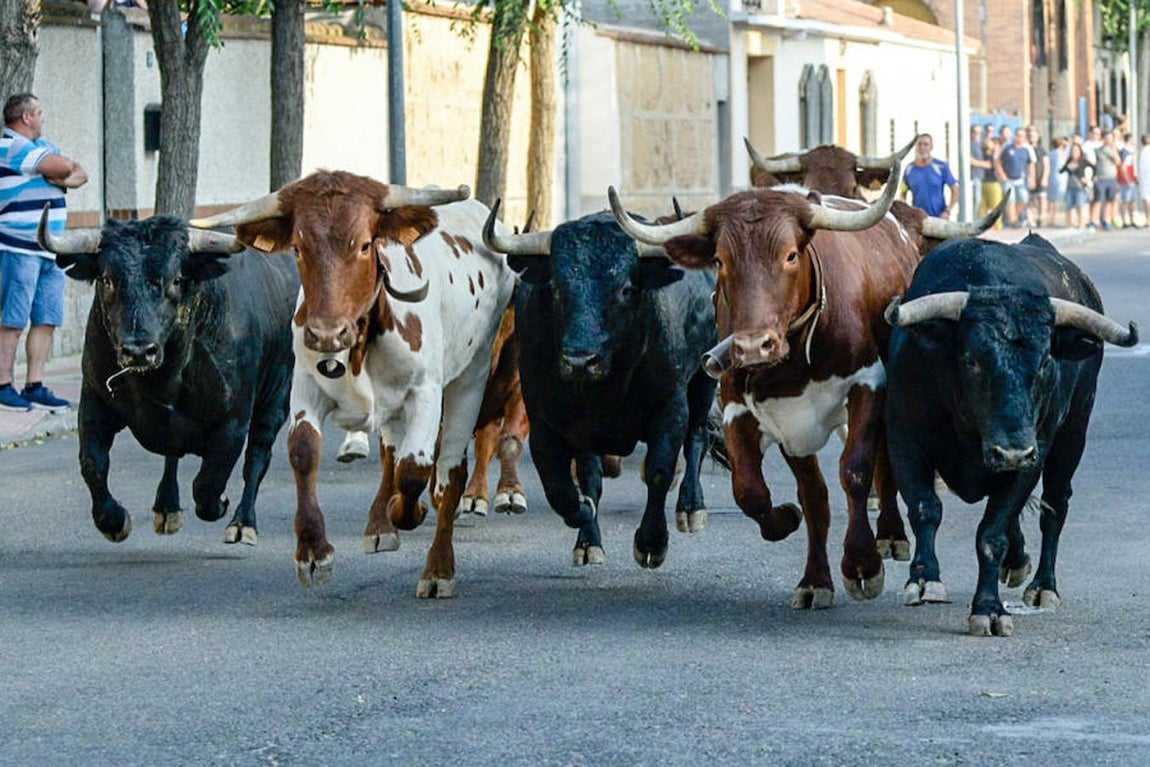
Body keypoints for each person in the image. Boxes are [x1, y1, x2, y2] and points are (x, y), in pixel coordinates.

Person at [0, 93, 88, 411]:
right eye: (39, 113)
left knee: (46, 318)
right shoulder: (10, 147)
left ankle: (34, 384)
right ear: (25, 117)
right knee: (13, 319)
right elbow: (66, 167)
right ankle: (2, 385)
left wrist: (51, 172)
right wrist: (57, 174)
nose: (43, 118)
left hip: (51, 249)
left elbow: (81, 173)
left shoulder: (41, 148)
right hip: (18, 248)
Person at [900, 133, 959, 218]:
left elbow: (955, 190)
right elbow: (902, 193)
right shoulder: (909, 169)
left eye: (925, 144)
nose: (922, 147)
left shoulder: (941, 166)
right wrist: (906, 212)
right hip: (918, 220)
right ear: (916, 147)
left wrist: (948, 211)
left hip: (939, 218)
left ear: (931, 147)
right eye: (919, 144)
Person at [996, 127, 1033, 227]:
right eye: (1018, 135)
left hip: (1020, 179)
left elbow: (1030, 164)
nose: (1019, 138)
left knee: (1023, 198)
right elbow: (998, 161)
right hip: (1008, 179)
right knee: (1010, 199)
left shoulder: (1026, 150)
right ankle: (1013, 221)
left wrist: (1032, 178)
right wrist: (1001, 173)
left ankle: (1015, 217)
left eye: (1022, 136)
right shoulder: (1008, 148)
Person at [1089, 129, 1121, 231]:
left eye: (1110, 139)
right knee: (1098, 200)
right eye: (1107, 138)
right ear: (1104, 139)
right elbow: (1094, 164)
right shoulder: (1098, 150)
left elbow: (1118, 162)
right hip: (1101, 178)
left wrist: (1113, 148)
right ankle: (1094, 221)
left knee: (1109, 201)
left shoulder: (1114, 150)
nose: (1109, 140)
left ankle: (1106, 221)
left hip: (1111, 178)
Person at [1059, 141, 1093, 230]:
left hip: (1080, 187)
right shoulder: (1069, 160)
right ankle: (1069, 224)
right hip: (1070, 186)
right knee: (1069, 206)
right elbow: (1061, 170)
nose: (1075, 153)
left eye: (1076, 151)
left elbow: (1093, 168)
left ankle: (1081, 224)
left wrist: (1088, 179)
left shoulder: (1083, 161)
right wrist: (1068, 166)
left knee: (1080, 206)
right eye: (1073, 151)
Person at [1026, 125, 1049, 226]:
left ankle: (1041, 217)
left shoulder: (1041, 149)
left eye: (1034, 136)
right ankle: (1031, 219)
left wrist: (1045, 178)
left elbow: (1047, 165)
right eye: (1030, 136)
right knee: (1030, 199)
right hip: (1029, 178)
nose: (1032, 138)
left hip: (1040, 177)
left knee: (1042, 198)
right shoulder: (1025, 148)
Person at [1139, 133, 1150, 226]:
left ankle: (1148, 218)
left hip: (1146, 178)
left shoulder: (1143, 152)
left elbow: (1142, 168)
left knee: (1147, 198)